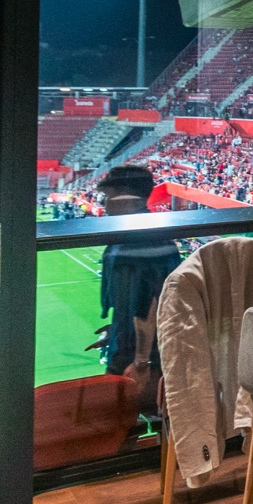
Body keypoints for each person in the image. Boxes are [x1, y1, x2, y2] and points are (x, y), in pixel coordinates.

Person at [93, 165, 181, 403]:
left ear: (125, 198)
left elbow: (151, 304)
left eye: (107, 196)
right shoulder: (145, 233)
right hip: (135, 345)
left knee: (123, 414)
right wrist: (117, 329)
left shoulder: (139, 240)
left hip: (139, 355)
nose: (104, 204)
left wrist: (142, 362)